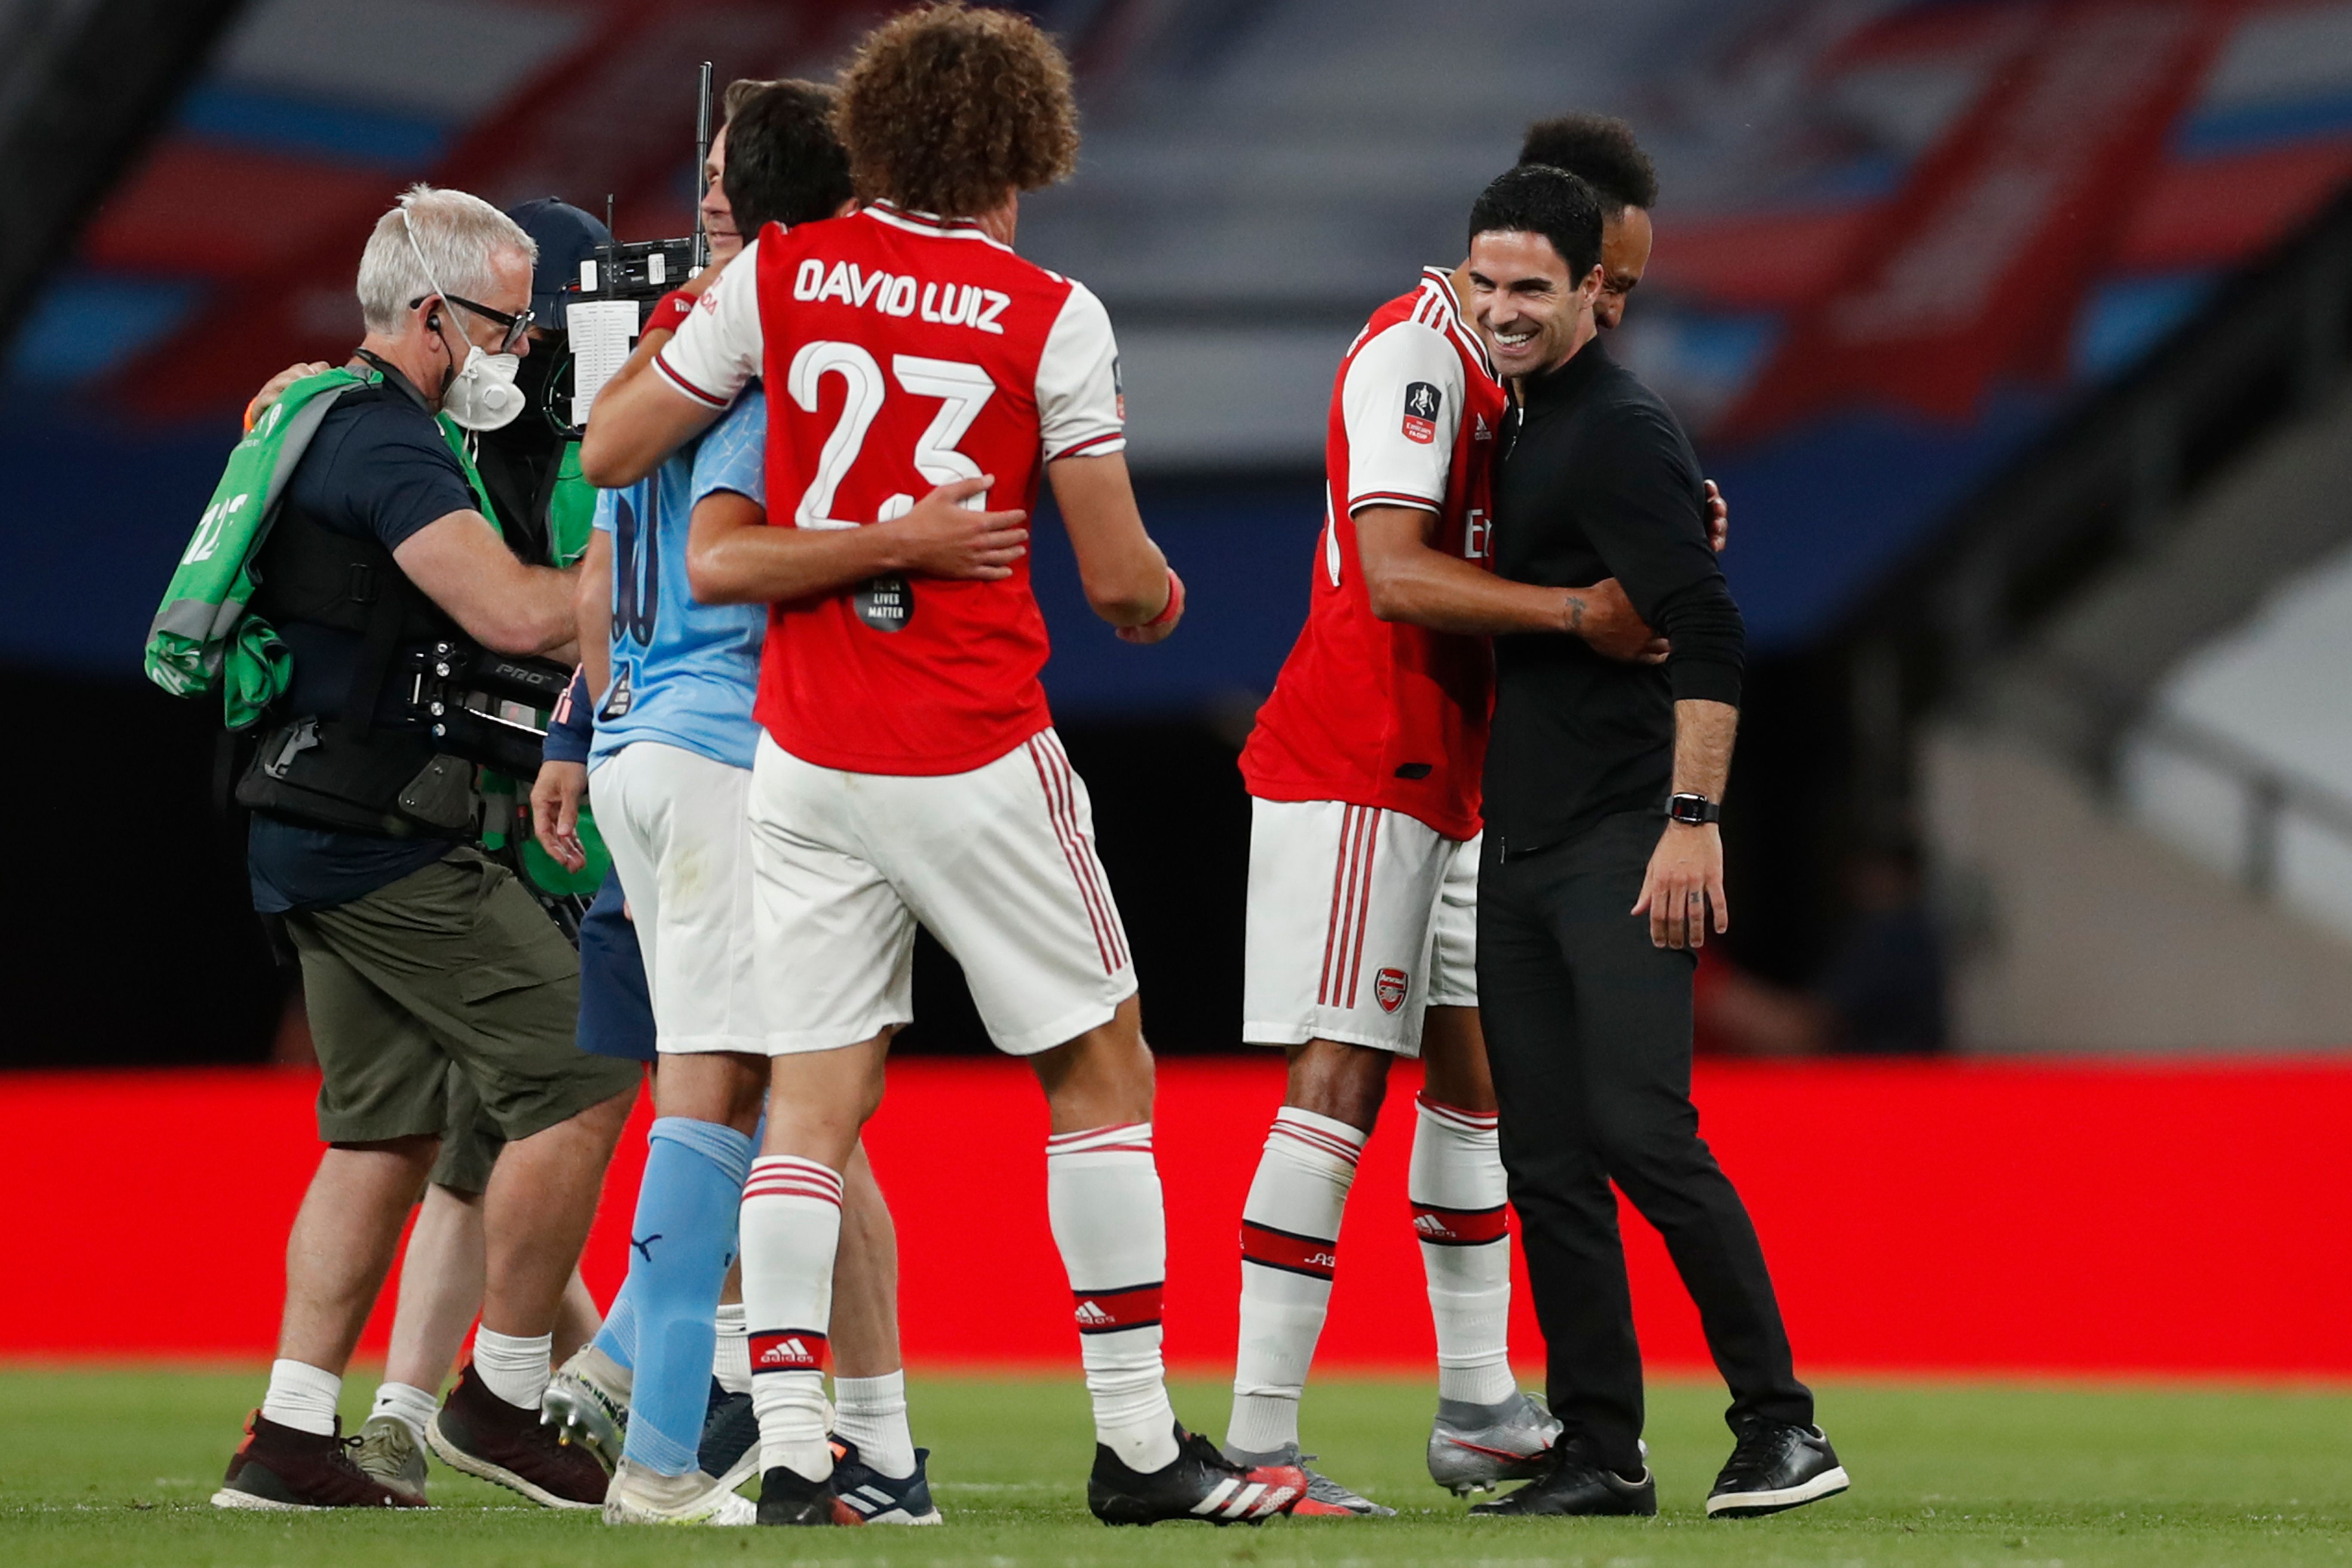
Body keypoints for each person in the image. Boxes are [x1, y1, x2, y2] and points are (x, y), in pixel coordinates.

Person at [582, 5, 1305, 1529]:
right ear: (1027, 146)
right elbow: (1118, 584)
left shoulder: (778, 275)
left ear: (882, 132)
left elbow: (613, 449)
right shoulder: (1052, 311)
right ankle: (1136, 1447)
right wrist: (1166, 597)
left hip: (804, 752)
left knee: (814, 1107)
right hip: (970, 741)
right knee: (1101, 1068)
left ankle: (799, 1456)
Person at [1223, 111, 1724, 1511]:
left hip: (1457, 770)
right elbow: (1391, 574)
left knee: (1475, 1085)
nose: (1607, 309)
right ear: (1544, 256)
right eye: (1604, 282)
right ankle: (1261, 1442)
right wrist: (1587, 613)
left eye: (1618, 292)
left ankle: (1479, 1407)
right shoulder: (1418, 357)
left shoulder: (1515, 393)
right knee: (1338, 1078)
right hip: (1362, 758)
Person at [534, 77, 934, 1528]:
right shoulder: (781, 347)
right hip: (715, 750)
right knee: (731, 1096)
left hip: (645, 737)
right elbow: (726, 556)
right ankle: (650, 1442)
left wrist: (584, 729)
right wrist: (907, 539)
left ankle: (648, 1371)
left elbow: (600, 554)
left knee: (760, 1093)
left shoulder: (670, 340)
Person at [210, 185, 639, 1513]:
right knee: (582, 1069)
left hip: (312, 819)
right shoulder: (390, 446)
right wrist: (672, 574)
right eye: (507, 327)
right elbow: (512, 611)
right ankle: (501, 1397)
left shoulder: (329, 412)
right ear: (432, 315)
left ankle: (288, 1437)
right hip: (380, 830)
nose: (520, 352)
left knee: (382, 1134)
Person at [1460, 164, 1846, 1519]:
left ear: (1592, 299)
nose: (1504, 309)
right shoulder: (1517, 421)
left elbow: (1716, 628)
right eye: (1487, 282)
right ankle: (1600, 1450)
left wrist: (1694, 821)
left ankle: (1781, 1426)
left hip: (1625, 828)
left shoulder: (1619, 428)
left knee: (1642, 1131)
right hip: (1524, 843)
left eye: (1532, 289)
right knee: (1545, 1159)